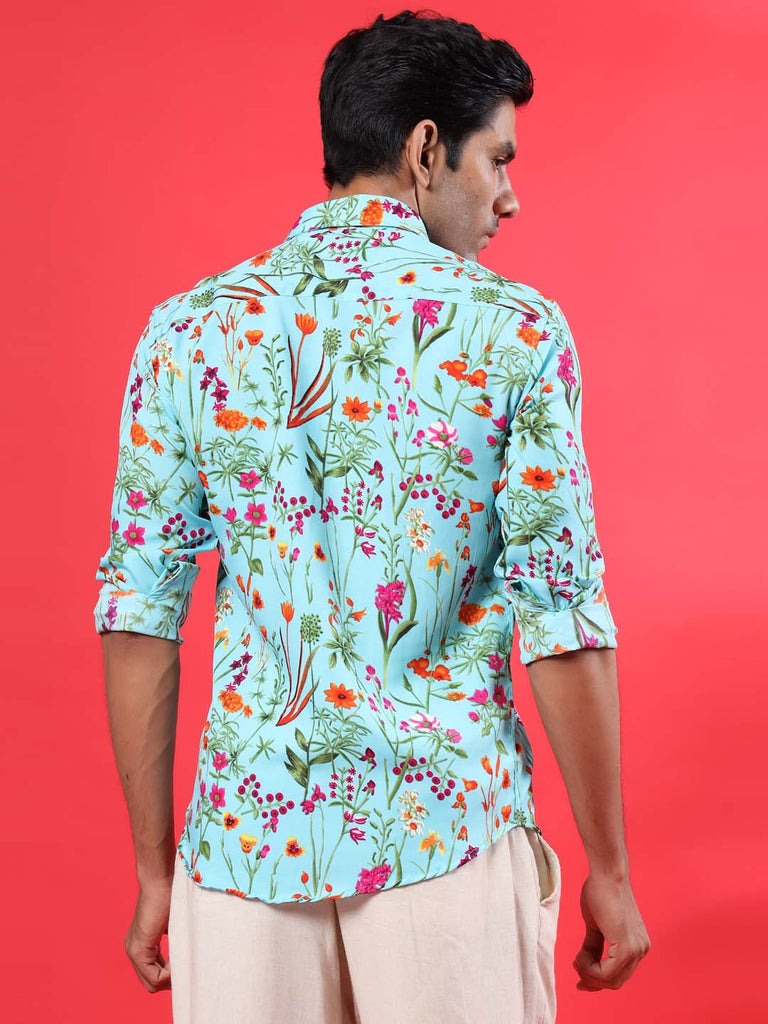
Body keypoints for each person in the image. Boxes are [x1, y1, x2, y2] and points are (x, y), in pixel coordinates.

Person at [94, 9, 650, 1022]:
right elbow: (561, 618)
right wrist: (608, 866)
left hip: (243, 858)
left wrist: (153, 867)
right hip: (444, 842)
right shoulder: (514, 330)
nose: (509, 196)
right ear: (427, 150)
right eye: (498, 159)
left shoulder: (186, 332)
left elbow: (140, 610)